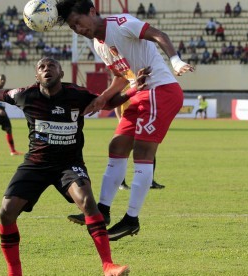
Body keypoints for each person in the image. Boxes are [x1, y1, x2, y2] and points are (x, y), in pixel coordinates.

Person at [0, 58, 135, 276]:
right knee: (6, 213)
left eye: (51, 66)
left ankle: (108, 265)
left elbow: (108, 103)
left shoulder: (77, 94)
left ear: (61, 73)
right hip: (36, 164)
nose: (47, 69)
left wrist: (134, 89)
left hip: (68, 164)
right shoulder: (25, 95)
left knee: (87, 201)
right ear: (37, 76)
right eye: (42, 67)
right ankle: (14, 272)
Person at [56, 0, 194, 241]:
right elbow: (121, 76)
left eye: (78, 22)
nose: (78, 29)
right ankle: (103, 211)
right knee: (117, 146)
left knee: (142, 152)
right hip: (139, 92)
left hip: (160, 90)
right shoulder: (99, 45)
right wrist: (103, 98)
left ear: (91, 11)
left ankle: (131, 220)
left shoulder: (121, 24)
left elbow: (158, 34)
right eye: (72, 27)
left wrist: (175, 61)